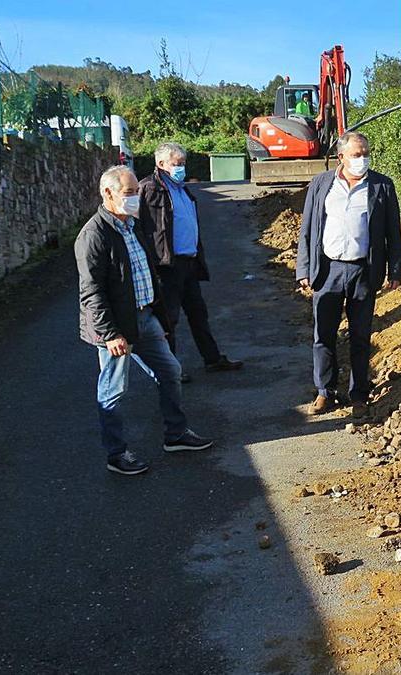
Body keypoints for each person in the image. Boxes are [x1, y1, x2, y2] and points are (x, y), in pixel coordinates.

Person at [76, 165, 215, 475]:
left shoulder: (134, 225)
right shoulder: (94, 235)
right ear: (107, 194)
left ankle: (176, 434)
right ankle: (116, 454)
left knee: (171, 370)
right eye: (128, 193)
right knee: (113, 391)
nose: (135, 198)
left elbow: (146, 272)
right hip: (116, 329)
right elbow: (92, 293)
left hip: (145, 317)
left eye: (136, 192)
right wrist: (111, 334)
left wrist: (158, 314)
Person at [296, 131, 401, 418]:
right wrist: (303, 268)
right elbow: (307, 229)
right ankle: (324, 392)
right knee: (324, 335)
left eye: (366, 153)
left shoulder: (382, 186)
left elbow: (393, 232)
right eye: (357, 154)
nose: (363, 159)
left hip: (363, 271)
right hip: (328, 269)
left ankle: (359, 394)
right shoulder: (321, 185)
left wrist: (395, 269)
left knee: (360, 336)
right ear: (341, 157)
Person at [139, 142, 242, 383]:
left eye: (183, 163)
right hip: (167, 266)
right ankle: (169, 369)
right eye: (177, 164)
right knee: (168, 319)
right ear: (161, 164)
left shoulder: (181, 188)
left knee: (198, 313)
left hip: (188, 263)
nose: (181, 168)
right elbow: (143, 228)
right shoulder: (149, 189)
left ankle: (212, 359)